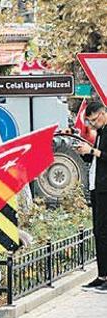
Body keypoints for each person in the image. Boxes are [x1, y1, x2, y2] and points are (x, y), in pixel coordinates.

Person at [75, 101, 107, 292]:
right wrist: (84, 152)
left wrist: (93, 151)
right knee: (99, 232)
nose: (92, 125)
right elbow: (95, 157)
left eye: (94, 120)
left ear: (103, 114)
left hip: (105, 189)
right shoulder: (100, 133)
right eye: (90, 122)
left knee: (104, 232)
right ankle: (102, 275)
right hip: (97, 188)